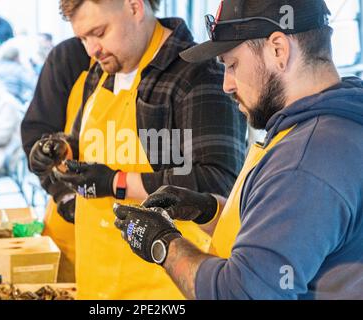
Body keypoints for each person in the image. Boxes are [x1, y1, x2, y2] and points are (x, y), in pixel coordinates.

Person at [114, 0, 363, 300]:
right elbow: (279, 238)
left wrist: (162, 244)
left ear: (278, 51)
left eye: (232, 65)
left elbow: (242, 293)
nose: (226, 85)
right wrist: (207, 210)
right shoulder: (332, 124)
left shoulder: (306, 159)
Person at [28, 0, 246, 299]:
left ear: (134, 6)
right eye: (83, 38)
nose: (92, 49)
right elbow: (87, 143)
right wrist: (61, 149)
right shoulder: (104, 69)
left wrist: (117, 183)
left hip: (163, 288)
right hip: (98, 282)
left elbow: (217, 182)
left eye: (99, 32)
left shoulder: (195, 74)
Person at [21, 37, 92, 282]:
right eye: (87, 35)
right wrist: (64, 193)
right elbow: (35, 134)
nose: (95, 46)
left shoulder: (173, 65)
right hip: (71, 227)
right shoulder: (69, 58)